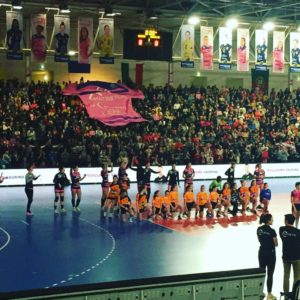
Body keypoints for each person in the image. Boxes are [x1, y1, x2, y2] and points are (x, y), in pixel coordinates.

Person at [257, 214, 278, 300]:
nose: (272, 221)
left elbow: (259, 239)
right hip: (270, 253)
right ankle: (269, 294)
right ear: (268, 220)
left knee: (261, 272)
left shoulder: (259, 229)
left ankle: (259, 292)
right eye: (272, 219)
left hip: (262, 252)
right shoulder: (272, 231)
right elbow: (276, 244)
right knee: (270, 274)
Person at [279, 214, 300, 293]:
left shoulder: (282, 229)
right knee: (297, 277)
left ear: (286, 221)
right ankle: (295, 294)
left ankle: (286, 295)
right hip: (297, 257)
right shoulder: (298, 232)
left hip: (286, 256)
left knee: (286, 276)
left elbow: (283, 238)